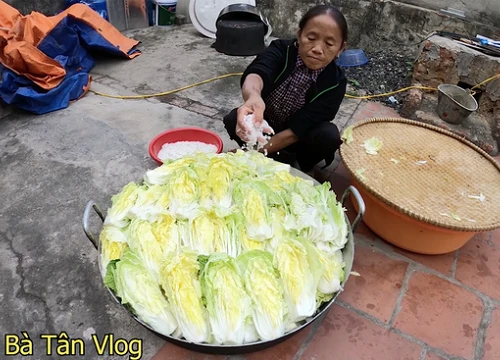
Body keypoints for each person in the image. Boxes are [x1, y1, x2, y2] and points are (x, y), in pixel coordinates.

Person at [223, 5, 349, 175]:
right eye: (311, 38)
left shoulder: (335, 82)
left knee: (328, 136)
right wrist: (253, 96)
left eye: (329, 44)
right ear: (299, 35)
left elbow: (296, 131)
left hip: (299, 139)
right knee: (234, 118)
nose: (318, 49)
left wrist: (252, 154)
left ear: (340, 48)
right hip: (267, 126)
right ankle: (263, 151)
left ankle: (301, 166)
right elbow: (258, 73)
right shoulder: (281, 50)